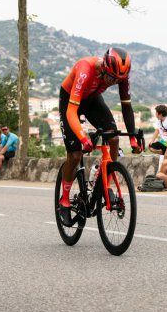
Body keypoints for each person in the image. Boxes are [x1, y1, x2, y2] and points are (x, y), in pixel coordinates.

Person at [59, 47, 142, 226]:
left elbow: (126, 107)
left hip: (92, 101)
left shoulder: (121, 76)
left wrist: (133, 138)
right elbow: (72, 111)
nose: (113, 82)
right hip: (70, 100)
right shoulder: (85, 69)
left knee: (113, 138)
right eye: (111, 77)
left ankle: (106, 182)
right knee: (75, 155)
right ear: (103, 67)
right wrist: (82, 138)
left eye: (117, 79)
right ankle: (64, 201)